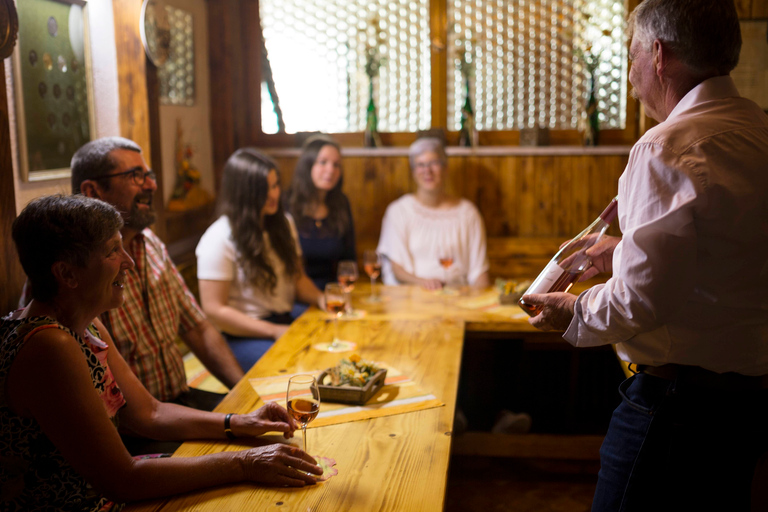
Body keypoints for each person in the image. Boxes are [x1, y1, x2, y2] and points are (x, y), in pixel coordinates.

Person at [522, 1, 768, 509]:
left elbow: (638, 303)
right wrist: (624, 250)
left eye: (631, 54)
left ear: (658, 54)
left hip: (675, 409)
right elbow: (725, 256)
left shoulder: (665, 147)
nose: (631, 75)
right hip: (748, 406)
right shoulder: (759, 131)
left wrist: (573, 312)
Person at [1, 195, 322, 511]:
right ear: (67, 274)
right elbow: (121, 479)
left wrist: (238, 421)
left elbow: (149, 413)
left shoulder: (86, 324)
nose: (128, 262)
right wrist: (245, 463)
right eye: (114, 251)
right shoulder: (49, 346)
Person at [71, 137, 244, 415]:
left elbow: (197, 327)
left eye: (148, 175)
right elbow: (134, 414)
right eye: (136, 176)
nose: (151, 185)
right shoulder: (80, 269)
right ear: (93, 190)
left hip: (180, 401)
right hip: (136, 427)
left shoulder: (150, 243)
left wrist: (245, 393)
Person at [196, 148, 324, 371]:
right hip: (245, 334)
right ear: (243, 193)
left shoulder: (284, 223)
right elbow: (214, 309)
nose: (274, 194)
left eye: (275, 185)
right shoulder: (218, 237)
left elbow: (298, 279)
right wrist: (272, 330)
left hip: (284, 319)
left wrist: (323, 299)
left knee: (332, 344)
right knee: (301, 365)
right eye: (264, 189)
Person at [377, 137, 490, 290]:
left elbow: (479, 272)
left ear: (445, 168)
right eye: (420, 165)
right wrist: (424, 283)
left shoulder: (468, 213)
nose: (427, 171)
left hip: (458, 299)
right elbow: (397, 270)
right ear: (413, 171)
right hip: (412, 299)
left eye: (434, 163)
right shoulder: (398, 211)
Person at [284, 135, 356, 289]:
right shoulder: (286, 204)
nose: (331, 170)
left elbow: (349, 259)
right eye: (323, 162)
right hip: (295, 294)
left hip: (333, 293)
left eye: (336, 165)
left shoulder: (341, 203)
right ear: (308, 165)